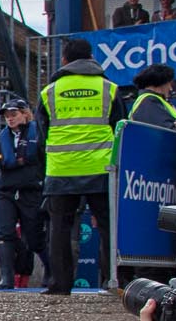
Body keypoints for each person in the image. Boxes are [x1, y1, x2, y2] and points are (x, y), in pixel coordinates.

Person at [38, 38, 121, 295]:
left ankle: (59, 284)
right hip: (101, 168)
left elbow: (41, 135)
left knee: (59, 230)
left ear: (64, 60)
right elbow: (121, 129)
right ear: (92, 57)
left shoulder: (49, 91)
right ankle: (112, 281)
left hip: (61, 170)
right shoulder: (109, 89)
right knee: (109, 227)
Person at [0, 99, 47, 290]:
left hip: (31, 190)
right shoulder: (1, 139)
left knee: (34, 236)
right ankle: (6, 277)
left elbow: (46, 161)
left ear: (24, 114)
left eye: (13, 115)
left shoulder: (39, 133)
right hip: (6, 192)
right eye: (7, 116)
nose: (10, 119)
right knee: (3, 232)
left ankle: (51, 270)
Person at [127, 63, 176, 129]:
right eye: (169, 83)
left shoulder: (150, 101)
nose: (170, 88)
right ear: (161, 82)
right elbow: (169, 132)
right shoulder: (148, 102)